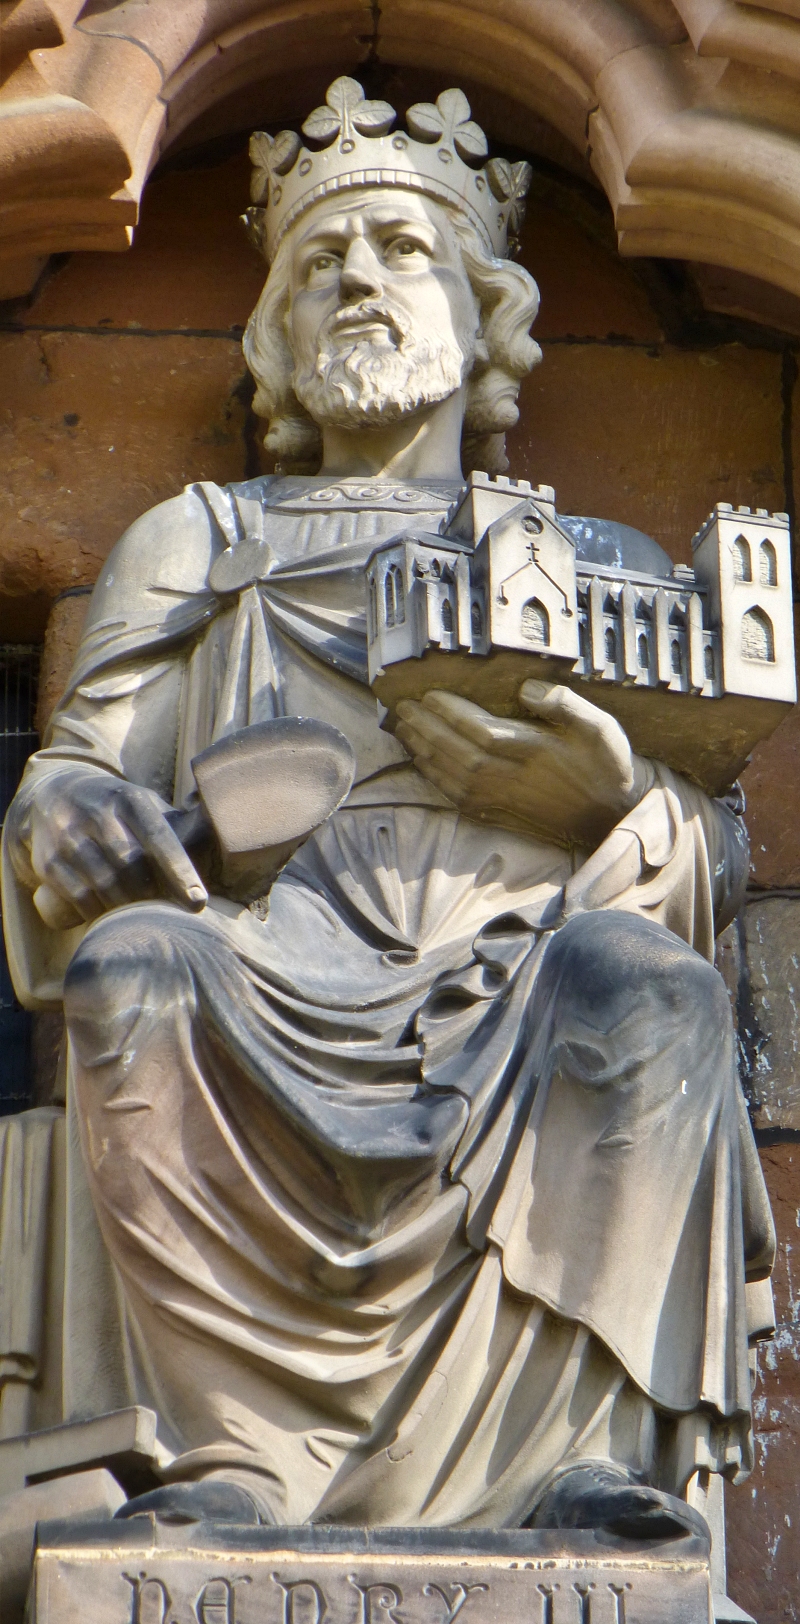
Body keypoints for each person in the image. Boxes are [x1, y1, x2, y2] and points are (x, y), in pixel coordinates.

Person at [1, 80, 774, 1536]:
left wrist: (605, 792)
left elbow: (714, 847)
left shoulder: (583, 553)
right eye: (319, 261)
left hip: (524, 970)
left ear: (488, 318)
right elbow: (77, 773)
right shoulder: (200, 541)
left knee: (652, 992)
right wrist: (75, 819)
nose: (357, 278)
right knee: (132, 972)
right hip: (266, 956)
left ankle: (572, 1464)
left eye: (403, 249)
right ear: (276, 339)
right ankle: (227, 1462)